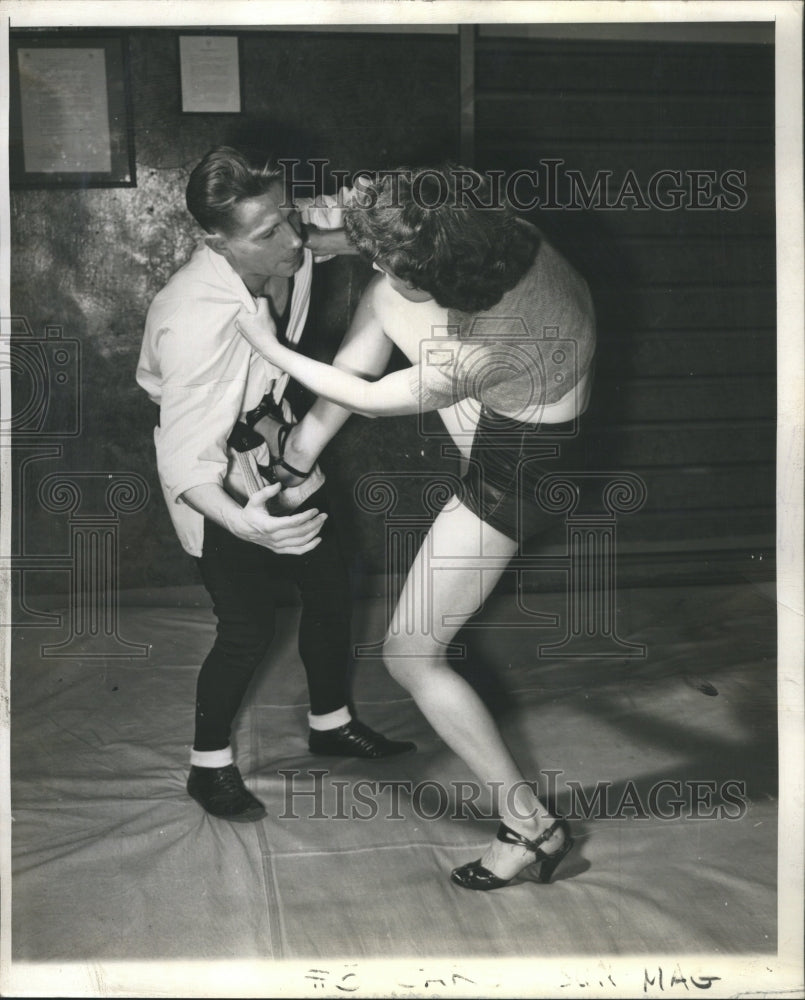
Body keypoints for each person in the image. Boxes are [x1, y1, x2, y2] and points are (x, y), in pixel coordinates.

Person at [234, 164, 596, 885]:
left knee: (411, 655)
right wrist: (313, 223)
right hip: (528, 397)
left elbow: (366, 397)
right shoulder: (498, 230)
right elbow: (390, 230)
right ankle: (298, 455)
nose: (379, 265)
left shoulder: (480, 344)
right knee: (380, 300)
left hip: (513, 469)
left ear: (438, 271)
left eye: (396, 264)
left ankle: (532, 830)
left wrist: (266, 344)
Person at [136, 146, 415, 825]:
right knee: (245, 627)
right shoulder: (195, 319)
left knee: (328, 585)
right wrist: (246, 523)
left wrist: (361, 210)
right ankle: (209, 767)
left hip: (276, 445)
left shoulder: (286, 244)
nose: (294, 239)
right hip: (219, 475)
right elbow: (181, 459)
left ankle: (329, 721)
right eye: (269, 234)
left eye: (291, 217)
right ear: (215, 242)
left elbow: (342, 236)